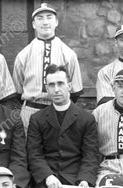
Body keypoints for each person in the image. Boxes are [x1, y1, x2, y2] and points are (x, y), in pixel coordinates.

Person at [27, 64, 99, 188]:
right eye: (51, 85)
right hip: (48, 179)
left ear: (69, 85)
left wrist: (85, 180)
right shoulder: (37, 119)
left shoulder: (86, 118)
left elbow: (90, 154)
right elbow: (34, 154)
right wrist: (47, 176)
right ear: (46, 88)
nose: (56, 89)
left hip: (76, 180)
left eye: (60, 83)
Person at [13, 2, 83, 130]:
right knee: (31, 148)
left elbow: (75, 92)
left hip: (60, 109)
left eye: (49, 17)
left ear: (56, 22)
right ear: (34, 24)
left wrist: (60, 102)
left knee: (59, 148)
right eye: (40, 18)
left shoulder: (68, 53)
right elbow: (17, 91)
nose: (45, 22)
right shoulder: (23, 55)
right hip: (31, 109)